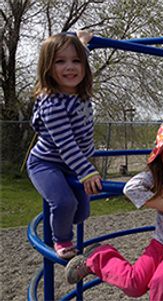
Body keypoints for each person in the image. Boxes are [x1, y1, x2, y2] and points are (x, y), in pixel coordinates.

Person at [65, 119, 163, 300]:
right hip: (160, 245)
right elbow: (130, 187)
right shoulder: (158, 175)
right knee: (133, 285)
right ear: (160, 160)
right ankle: (99, 256)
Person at [26, 31, 101, 259]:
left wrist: (82, 43)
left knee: (82, 212)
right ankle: (62, 240)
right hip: (46, 164)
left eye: (76, 61)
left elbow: (79, 56)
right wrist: (87, 171)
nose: (70, 67)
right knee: (64, 202)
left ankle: (63, 220)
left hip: (72, 164)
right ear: (48, 67)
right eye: (60, 61)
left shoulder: (79, 94)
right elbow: (66, 145)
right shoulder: (53, 104)